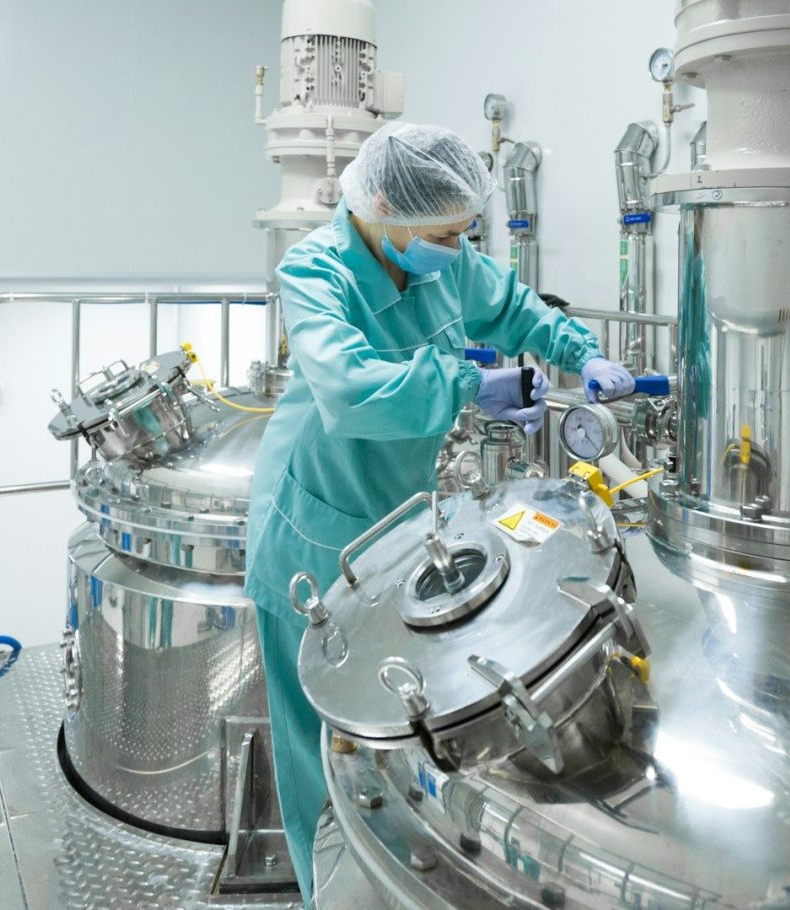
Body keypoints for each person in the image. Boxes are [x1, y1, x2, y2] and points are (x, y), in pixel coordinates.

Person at [243, 121, 635, 900]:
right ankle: (327, 882)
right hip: (311, 527)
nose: (455, 249)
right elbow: (350, 393)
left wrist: (577, 349)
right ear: (383, 205)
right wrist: (466, 387)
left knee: (386, 714)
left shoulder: (443, 263)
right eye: (443, 233)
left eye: (463, 232)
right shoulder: (316, 271)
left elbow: (516, 308)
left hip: (396, 518)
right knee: (316, 731)